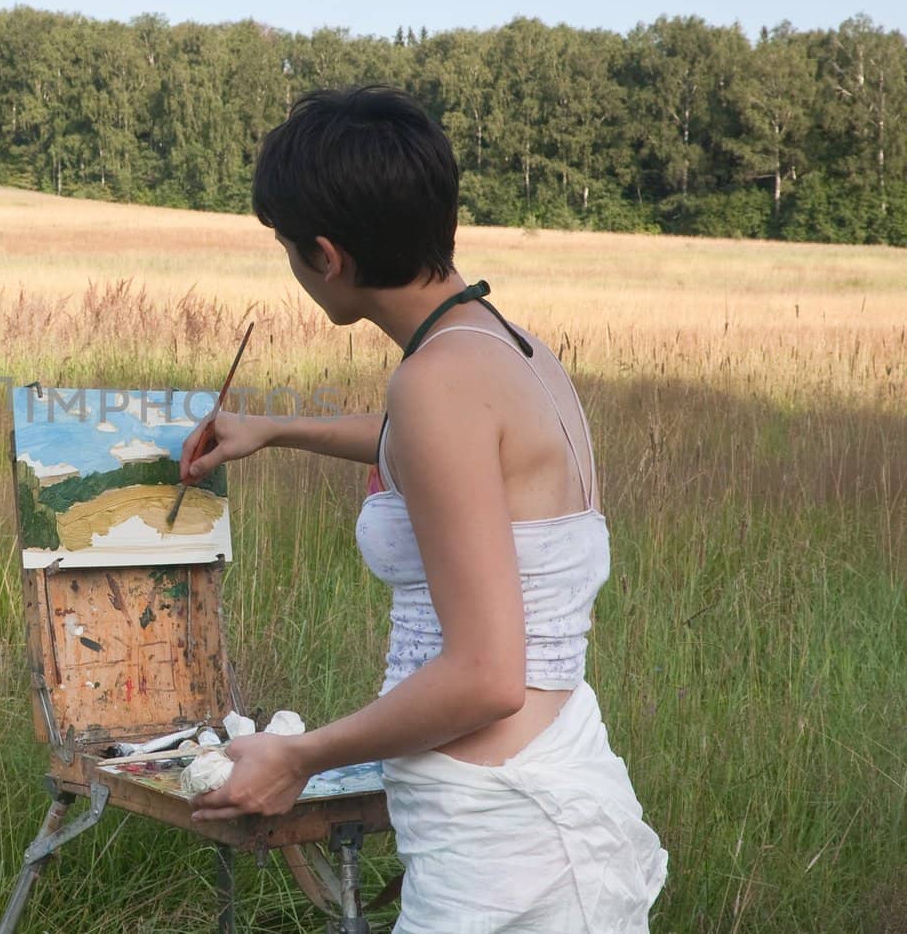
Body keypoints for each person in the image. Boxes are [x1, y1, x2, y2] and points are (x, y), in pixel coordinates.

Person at [180, 86, 667, 932]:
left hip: (504, 841)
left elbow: (486, 677)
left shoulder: (437, 379)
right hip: (538, 800)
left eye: (286, 250)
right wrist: (275, 428)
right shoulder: (502, 345)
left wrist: (299, 755)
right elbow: (445, 453)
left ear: (326, 255)